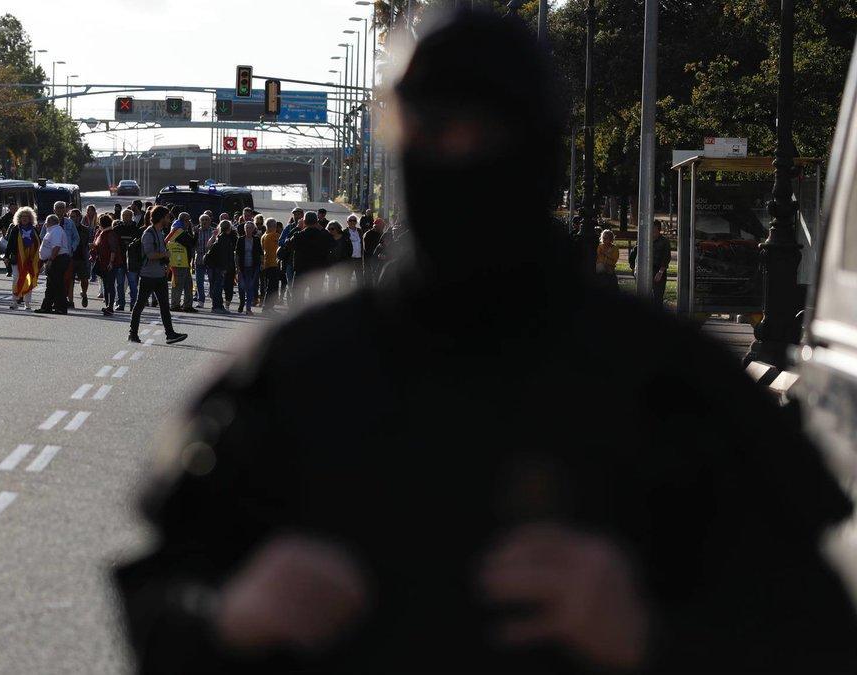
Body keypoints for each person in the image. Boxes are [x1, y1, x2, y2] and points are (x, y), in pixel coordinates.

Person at [114, 8, 857, 673]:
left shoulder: (665, 380)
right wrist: (234, 618)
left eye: (486, 133)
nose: (459, 161)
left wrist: (653, 634)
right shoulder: (304, 362)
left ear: (535, 144)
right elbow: (156, 589)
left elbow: (816, 627)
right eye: (434, 132)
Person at [128, 205, 187, 345]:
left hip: (159, 275)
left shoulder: (160, 233)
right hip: (148, 276)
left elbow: (159, 253)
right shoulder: (148, 233)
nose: (168, 219)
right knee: (140, 305)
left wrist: (166, 262)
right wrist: (165, 254)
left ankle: (170, 334)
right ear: (161, 218)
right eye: (167, 217)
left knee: (165, 306)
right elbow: (150, 254)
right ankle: (133, 333)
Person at [283, 211, 332, 304]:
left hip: (301, 270)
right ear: (316, 222)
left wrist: (297, 227)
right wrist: (321, 228)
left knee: (297, 299)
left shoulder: (299, 235)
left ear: (304, 222)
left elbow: (287, 242)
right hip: (317, 271)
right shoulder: (323, 236)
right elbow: (332, 242)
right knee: (315, 299)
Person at [4, 207, 41, 310]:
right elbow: (10, 244)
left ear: (30, 219)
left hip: (30, 260)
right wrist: (6, 256)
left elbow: (39, 244)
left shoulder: (34, 230)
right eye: (22, 217)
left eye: (27, 217)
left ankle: (27, 303)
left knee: (28, 280)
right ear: (19, 218)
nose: (24, 219)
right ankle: (15, 301)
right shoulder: (15, 229)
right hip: (16, 259)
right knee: (16, 278)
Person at [630, 222, 672, 306]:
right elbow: (634, 254)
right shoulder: (643, 239)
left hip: (658, 270)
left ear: (659, 231)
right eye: (651, 230)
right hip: (643, 269)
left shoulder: (664, 242)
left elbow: (666, 257)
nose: (652, 232)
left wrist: (660, 272)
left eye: (654, 230)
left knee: (658, 297)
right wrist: (634, 268)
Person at [38, 214, 70, 315]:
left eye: (46, 222)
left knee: (57, 284)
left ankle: (61, 307)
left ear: (50, 222)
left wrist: (51, 259)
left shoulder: (56, 230)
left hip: (57, 259)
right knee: (51, 285)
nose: (45, 224)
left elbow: (56, 246)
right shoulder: (52, 230)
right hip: (54, 259)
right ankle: (46, 307)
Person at [92, 214, 123, 316]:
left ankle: (110, 306)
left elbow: (113, 249)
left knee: (110, 285)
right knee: (106, 285)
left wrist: (111, 262)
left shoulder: (110, 234)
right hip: (103, 262)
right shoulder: (102, 233)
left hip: (109, 263)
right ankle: (108, 306)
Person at [166, 212, 196, 313]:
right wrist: (194, 232)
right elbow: (192, 242)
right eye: (188, 221)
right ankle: (175, 305)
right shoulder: (179, 231)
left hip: (183, 261)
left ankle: (187, 305)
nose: (189, 223)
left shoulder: (177, 228)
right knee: (178, 284)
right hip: (179, 261)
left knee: (188, 284)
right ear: (185, 221)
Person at [233, 220, 263, 315]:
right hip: (242, 266)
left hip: (253, 267)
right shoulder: (240, 240)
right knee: (241, 287)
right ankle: (242, 303)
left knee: (250, 287)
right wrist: (237, 267)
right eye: (246, 228)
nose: (248, 230)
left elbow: (261, 253)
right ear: (244, 229)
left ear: (253, 229)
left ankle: (248, 308)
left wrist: (261, 264)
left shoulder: (256, 240)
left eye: (250, 228)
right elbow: (237, 254)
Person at [116, 208, 143, 311]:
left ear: (131, 216)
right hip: (120, 261)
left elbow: (139, 245)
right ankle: (121, 303)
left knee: (133, 284)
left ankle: (134, 304)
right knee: (120, 284)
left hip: (133, 261)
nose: (125, 218)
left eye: (127, 216)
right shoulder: (118, 229)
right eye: (124, 216)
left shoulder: (137, 229)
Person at [70, 208, 92, 308]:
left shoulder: (85, 230)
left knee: (84, 279)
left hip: (82, 257)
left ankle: (84, 293)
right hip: (70, 257)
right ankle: (70, 301)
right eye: (70, 216)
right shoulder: (67, 228)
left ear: (79, 217)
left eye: (74, 216)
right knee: (70, 280)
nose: (71, 218)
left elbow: (89, 242)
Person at [192, 213, 213, 309]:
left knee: (212, 280)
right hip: (199, 259)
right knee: (199, 281)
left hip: (210, 260)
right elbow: (193, 245)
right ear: (200, 222)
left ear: (209, 221)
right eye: (202, 220)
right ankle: (201, 300)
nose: (204, 222)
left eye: (206, 220)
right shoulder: (196, 232)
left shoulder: (213, 232)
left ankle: (214, 298)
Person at [260, 220, 282, 311]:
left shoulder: (264, 236)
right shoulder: (273, 236)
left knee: (269, 286)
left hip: (266, 263)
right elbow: (281, 241)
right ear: (274, 226)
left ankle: (268, 306)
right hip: (272, 263)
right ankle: (268, 307)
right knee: (273, 287)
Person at [363, 217, 386, 284]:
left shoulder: (381, 233)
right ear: (375, 226)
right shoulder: (368, 234)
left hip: (378, 262)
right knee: (369, 282)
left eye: (383, 227)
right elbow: (367, 249)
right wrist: (377, 253)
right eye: (381, 227)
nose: (382, 228)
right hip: (369, 262)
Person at [344, 213, 364, 287]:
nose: (352, 222)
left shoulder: (360, 231)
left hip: (359, 258)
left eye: (354, 220)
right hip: (349, 259)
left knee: (360, 278)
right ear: (347, 222)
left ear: (356, 222)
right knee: (347, 278)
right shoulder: (344, 232)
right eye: (350, 220)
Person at [1, 203, 18, 278]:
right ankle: (9, 271)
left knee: (14, 255)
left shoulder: (19, 216)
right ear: (9, 209)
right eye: (12, 208)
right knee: (7, 254)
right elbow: (2, 227)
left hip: (17, 238)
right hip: (8, 238)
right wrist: (5, 236)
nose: (14, 209)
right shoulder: (5, 217)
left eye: (15, 208)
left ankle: (15, 270)